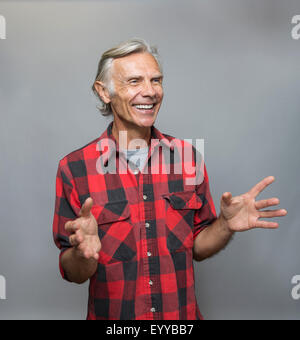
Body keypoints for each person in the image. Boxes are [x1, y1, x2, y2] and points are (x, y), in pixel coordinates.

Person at [52, 38, 287, 320]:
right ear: (104, 92)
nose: (150, 92)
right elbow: (72, 270)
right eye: (135, 81)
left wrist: (225, 226)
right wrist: (82, 254)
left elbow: (198, 246)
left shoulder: (188, 158)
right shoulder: (74, 168)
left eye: (156, 80)